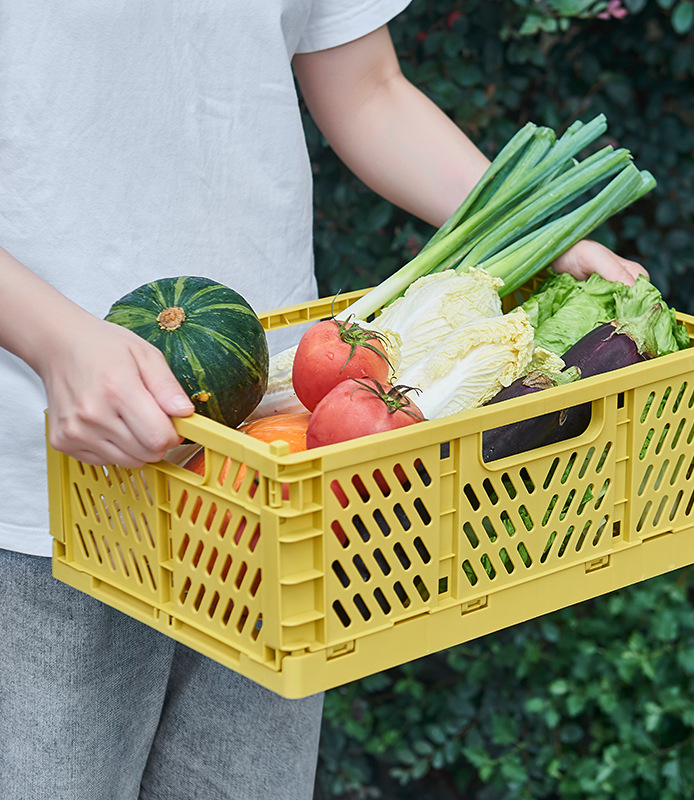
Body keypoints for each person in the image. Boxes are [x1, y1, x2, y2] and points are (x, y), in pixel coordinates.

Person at [0, 3, 647, 798]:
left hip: (285, 476)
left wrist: (546, 234)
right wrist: (52, 339)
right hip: (46, 487)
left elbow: (368, 87)